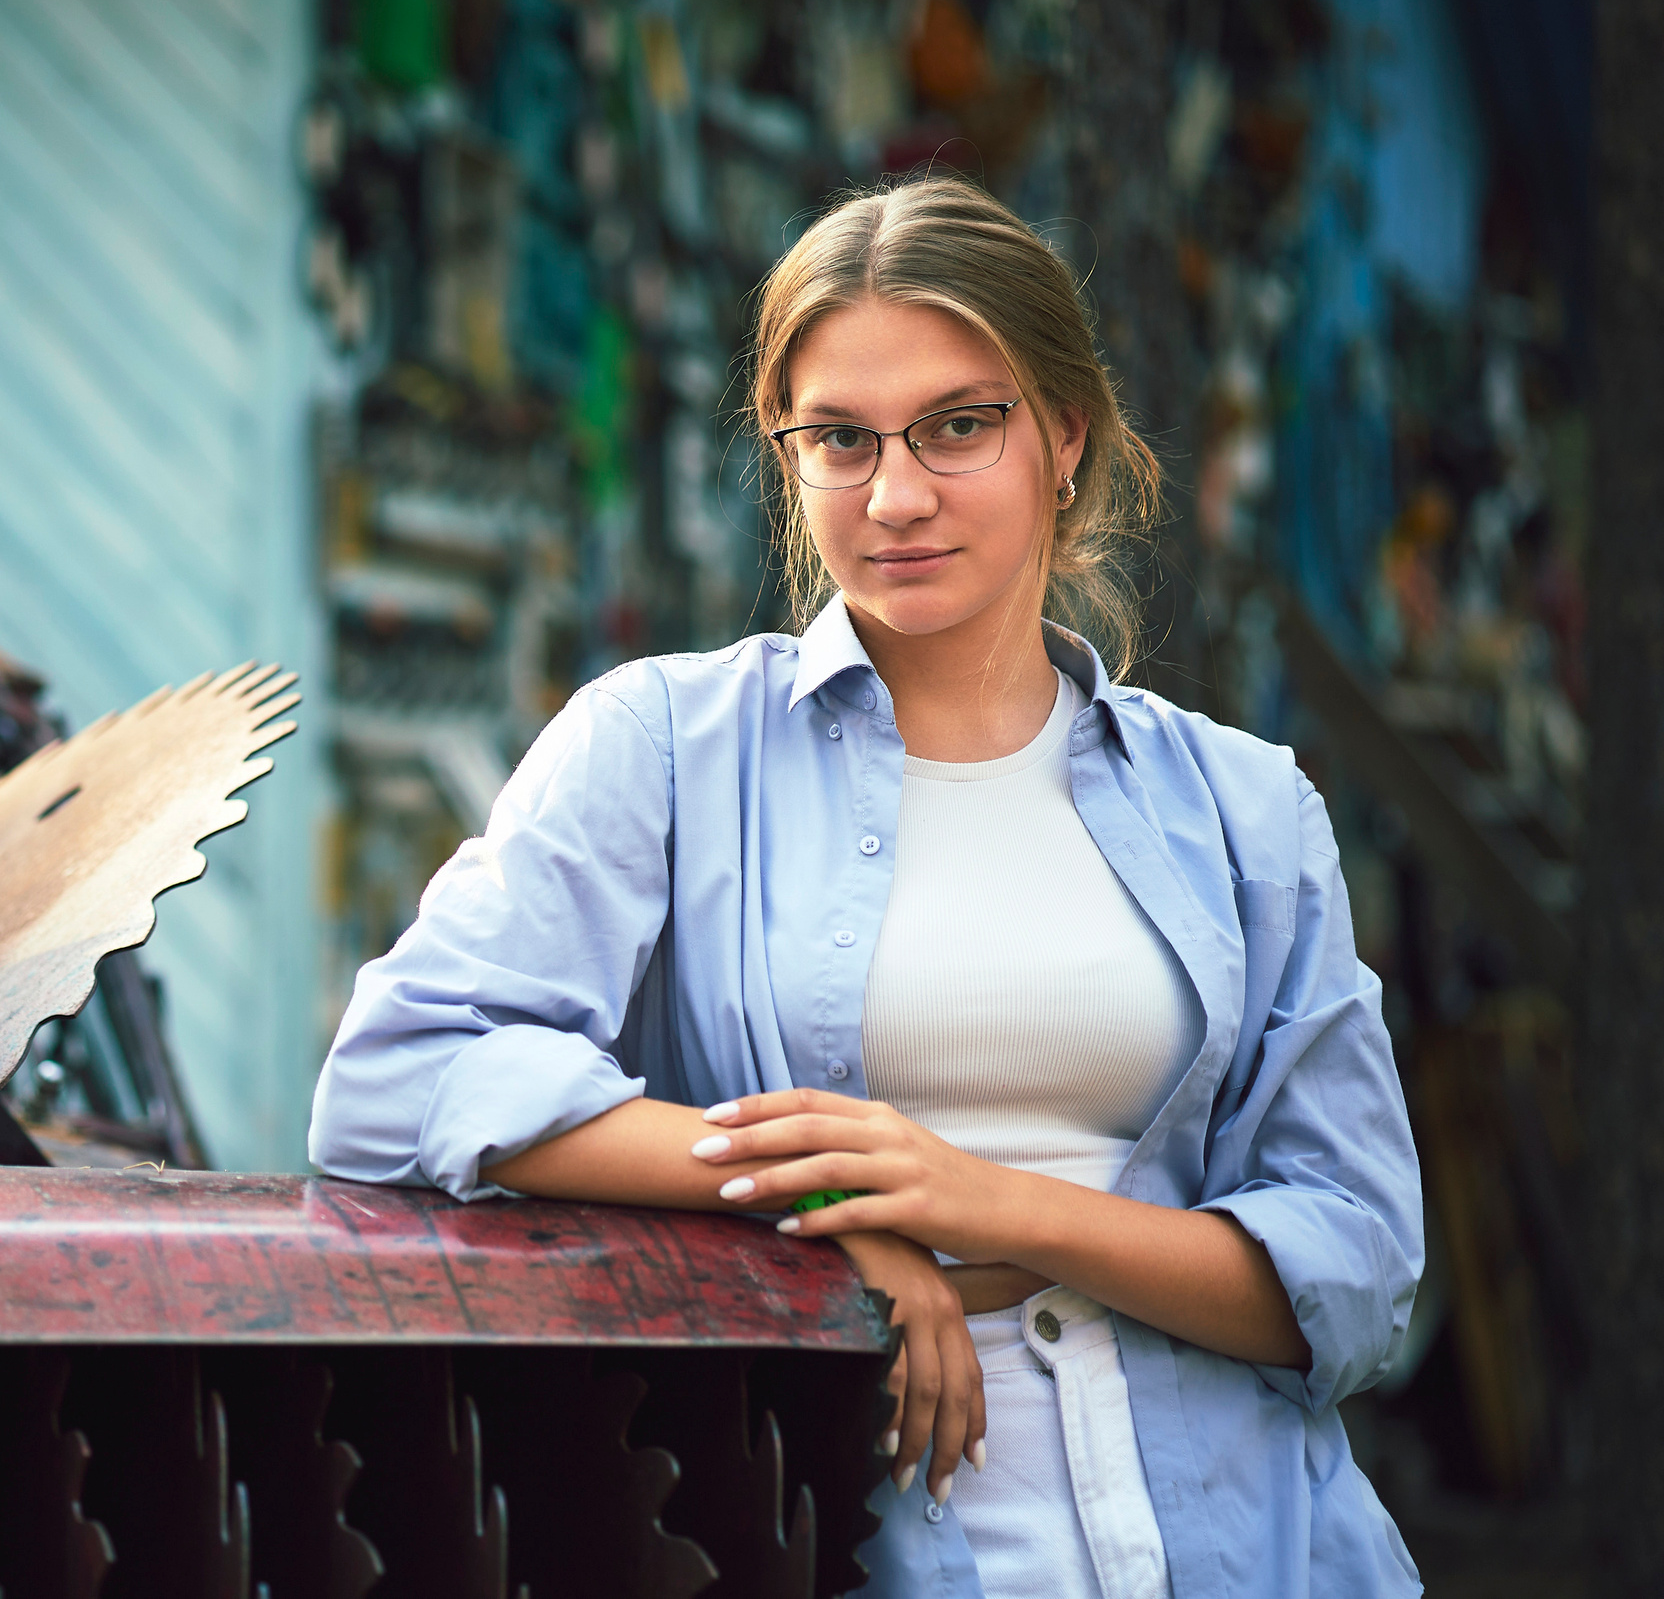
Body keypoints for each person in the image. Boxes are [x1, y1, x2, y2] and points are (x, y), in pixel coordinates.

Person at [308, 175, 1423, 1598]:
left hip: (1247, 1540)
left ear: (1064, 437)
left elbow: (1357, 1266)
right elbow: (400, 1076)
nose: (897, 496)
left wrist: (985, 1200)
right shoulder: (660, 749)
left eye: (961, 425)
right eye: (839, 438)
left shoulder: (1246, 807)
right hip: (851, 1529)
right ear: (789, 458)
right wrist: (830, 1214)